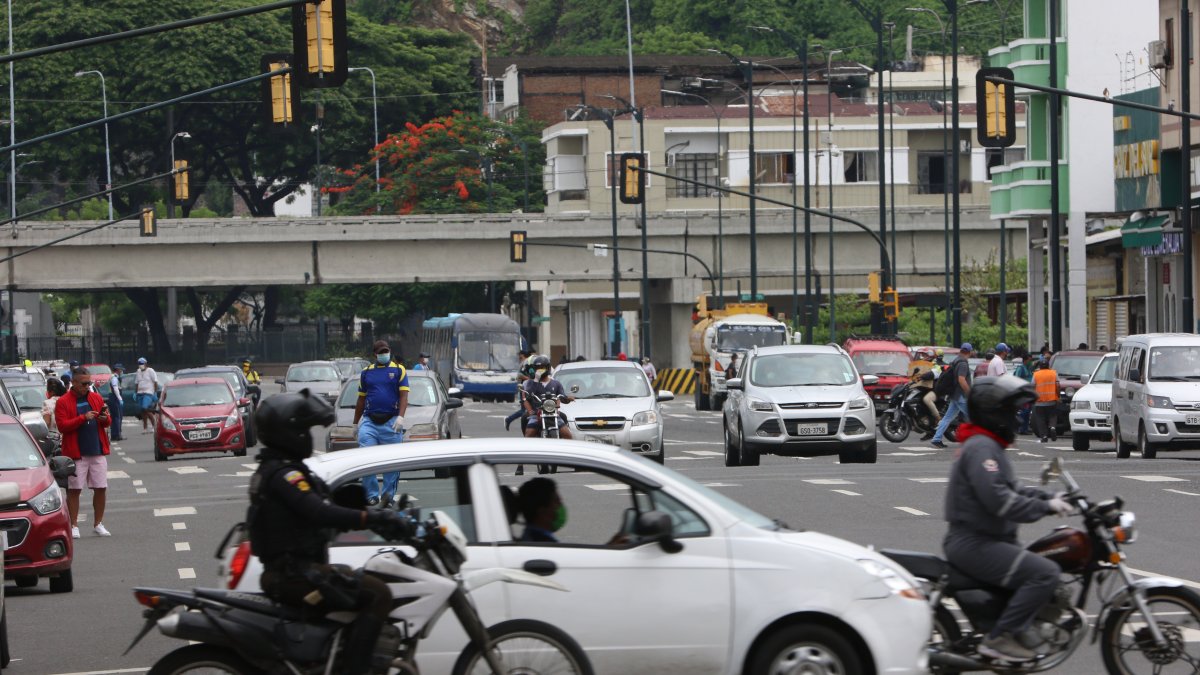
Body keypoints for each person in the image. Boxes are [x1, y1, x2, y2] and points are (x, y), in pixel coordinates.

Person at [248, 390, 402, 675]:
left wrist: (359, 507)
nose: (308, 437)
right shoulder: (285, 476)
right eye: (304, 430)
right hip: (295, 575)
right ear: (288, 433)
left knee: (359, 581)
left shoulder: (281, 469)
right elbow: (318, 512)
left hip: (295, 570)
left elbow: (325, 505)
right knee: (378, 594)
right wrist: (372, 518)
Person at [943, 375, 1073, 662]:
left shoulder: (988, 446)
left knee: (1043, 563)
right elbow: (998, 499)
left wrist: (1051, 497)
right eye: (1010, 412)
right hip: (975, 542)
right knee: (1044, 573)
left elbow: (1012, 489)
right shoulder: (980, 448)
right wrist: (1046, 507)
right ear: (994, 413)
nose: (1014, 418)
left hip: (987, 539)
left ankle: (1022, 628)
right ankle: (1000, 638)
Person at [56, 368, 113, 538]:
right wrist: (83, 418)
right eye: (84, 383)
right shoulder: (63, 401)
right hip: (76, 453)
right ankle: (73, 525)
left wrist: (105, 419)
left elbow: (107, 421)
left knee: (101, 487)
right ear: (73, 383)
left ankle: (98, 523)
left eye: (89, 383)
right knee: (74, 489)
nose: (87, 386)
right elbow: (62, 426)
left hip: (96, 450)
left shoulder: (95, 397)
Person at [352, 341, 409, 506]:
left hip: (391, 421)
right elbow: (361, 399)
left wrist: (401, 417)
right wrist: (355, 424)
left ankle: (387, 497)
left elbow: (404, 396)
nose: (385, 354)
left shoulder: (399, 370)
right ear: (375, 355)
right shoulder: (366, 372)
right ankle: (371, 495)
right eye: (381, 352)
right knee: (365, 459)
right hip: (369, 422)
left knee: (392, 463)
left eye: (387, 351)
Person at [522, 355, 574, 446]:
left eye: (543, 367)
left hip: (553, 414)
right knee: (528, 434)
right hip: (536, 415)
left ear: (548, 368)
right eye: (538, 368)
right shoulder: (531, 383)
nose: (540, 370)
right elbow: (527, 395)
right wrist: (536, 380)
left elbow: (562, 396)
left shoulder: (556, 383)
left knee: (568, 435)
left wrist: (568, 399)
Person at [931, 343, 974, 449]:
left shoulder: (956, 360)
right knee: (974, 417)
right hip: (961, 396)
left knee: (947, 418)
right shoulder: (963, 363)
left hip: (955, 395)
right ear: (969, 351)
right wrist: (969, 392)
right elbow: (961, 379)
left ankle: (936, 439)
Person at [517, 477, 563, 542]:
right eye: (556, 501)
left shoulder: (528, 537)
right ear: (542, 511)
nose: (560, 506)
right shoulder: (546, 543)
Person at [909, 349, 940, 439]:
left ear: (930, 356)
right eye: (922, 355)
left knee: (927, 399)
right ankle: (926, 427)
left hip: (936, 389)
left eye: (925, 355)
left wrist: (922, 376)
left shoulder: (935, 364)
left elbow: (935, 373)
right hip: (925, 389)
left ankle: (938, 419)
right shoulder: (922, 365)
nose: (923, 357)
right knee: (918, 401)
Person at [505, 351, 535, 433]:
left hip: (531, 389)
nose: (520, 359)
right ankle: (509, 420)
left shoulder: (528, 363)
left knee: (529, 410)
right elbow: (519, 375)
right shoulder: (525, 364)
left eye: (521, 357)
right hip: (525, 389)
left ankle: (509, 419)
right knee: (524, 410)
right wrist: (530, 380)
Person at [1032, 359, 1060, 442]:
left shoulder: (1036, 374)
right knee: (1053, 416)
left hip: (1039, 401)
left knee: (1041, 419)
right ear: (1048, 366)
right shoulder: (1054, 373)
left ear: (1040, 367)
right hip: (1051, 400)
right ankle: (1052, 427)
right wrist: (1058, 396)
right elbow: (1058, 385)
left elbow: (1032, 387)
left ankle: (1044, 436)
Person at [135, 357, 160, 434]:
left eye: (142, 364)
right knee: (142, 411)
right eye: (139, 364)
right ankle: (145, 427)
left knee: (145, 408)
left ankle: (153, 425)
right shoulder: (138, 371)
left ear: (145, 364)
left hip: (148, 393)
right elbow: (137, 383)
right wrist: (135, 393)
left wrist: (155, 392)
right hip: (140, 393)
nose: (141, 365)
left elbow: (155, 382)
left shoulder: (150, 371)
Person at [1013, 354, 1037, 435]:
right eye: (1029, 360)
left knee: (1028, 411)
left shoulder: (1029, 369)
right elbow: (1016, 379)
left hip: (1028, 392)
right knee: (1025, 411)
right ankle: (1020, 426)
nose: (1030, 362)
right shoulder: (1021, 368)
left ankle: (1025, 429)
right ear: (1025, 360)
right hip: (1023, 392)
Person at [108, 363, 125, 441]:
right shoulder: (114, 378)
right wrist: (120, 399)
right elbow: (115, 389)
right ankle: (117, 435)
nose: (121, 371)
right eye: (121, 370)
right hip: (114, 399)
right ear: (118, 370)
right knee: (117, 417)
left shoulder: (114, 377)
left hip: (113, 398)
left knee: (115, 417)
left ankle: (115, 434)